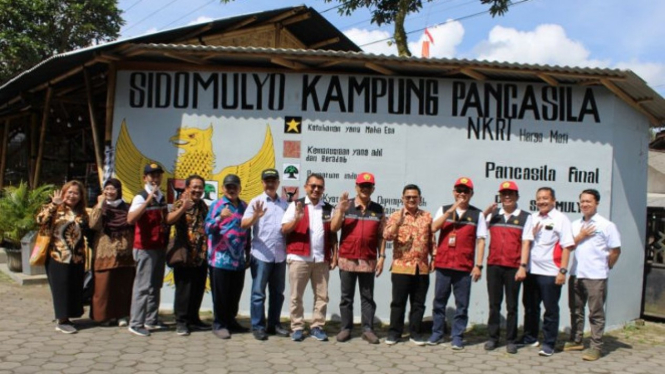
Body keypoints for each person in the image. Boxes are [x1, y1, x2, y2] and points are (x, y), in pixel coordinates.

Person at [428, 177, 486, 350]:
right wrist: (451, 210)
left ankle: (457, 336)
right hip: (444, 264)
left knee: (462, 304)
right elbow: (433, 228)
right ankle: (437, 333)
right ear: (454, 192)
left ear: (471, 194)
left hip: (464, 266)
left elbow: (481, 240)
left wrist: (478, 265)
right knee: (439, 301)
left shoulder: (478, 214)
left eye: (465, 191)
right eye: (459, 190)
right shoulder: (444, 210)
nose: (462, 194)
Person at [564, 189, 621, 361]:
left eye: (588, 201)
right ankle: (576, 340)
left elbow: (616, 250)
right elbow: (569, 246)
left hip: (595, 276)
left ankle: (596, 346)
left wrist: (607, 265)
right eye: (582, 201)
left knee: (595, 313)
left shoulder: (606, 225)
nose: (585, 204)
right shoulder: (575, 225)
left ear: (596, 203)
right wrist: (580, 236)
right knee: (575, 309)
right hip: (576, 274)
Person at [331, 172, 386, 344]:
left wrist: (382, 256)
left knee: (367, 297)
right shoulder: (345, 206)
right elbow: (333, 228)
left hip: (368, 260)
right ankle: (346, 328)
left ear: (373, 189)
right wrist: (341, 211)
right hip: (347, 258)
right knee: (346, 297)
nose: (365, 189)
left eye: (368, 186)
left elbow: (381, 236)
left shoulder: (378, 209)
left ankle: (367, 329)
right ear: (356, 187)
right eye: (362, 185)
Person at [281, 173, 337, 342]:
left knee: (322, 296)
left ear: (323, 189)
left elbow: (333, 234)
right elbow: (284, 229)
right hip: (299, 258)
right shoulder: (295, 205)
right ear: (306, 187)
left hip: (321, 259)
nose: (316, 189)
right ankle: (297, 327)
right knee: (296, 296)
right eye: (313, 186)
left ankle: (317, 326)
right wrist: (297, 219)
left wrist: (335, 254)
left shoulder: (328, 208)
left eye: (319, 187)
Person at [520, 187, 575, 357]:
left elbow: (567, 246)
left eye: (545, 198)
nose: (542, 201)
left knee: (550, 309)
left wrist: (562, 271)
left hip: (551, 272)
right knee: (530, 307)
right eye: (539, 198)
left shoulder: (561, 219)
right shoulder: (532, 217)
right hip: (531, 271)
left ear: (553, 200)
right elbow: (526, 242)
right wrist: (523, 266)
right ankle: (530, 338)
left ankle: (549, 343)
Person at [482, 181, 533, 354]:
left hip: (513, 267)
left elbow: (526, 243)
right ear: (500, 196)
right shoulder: (493, 215)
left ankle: (511, 340)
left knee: (512, 306)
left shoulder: (526, 217)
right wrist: (486, 213)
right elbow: (478, 229)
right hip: (494, 265)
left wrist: (522, 266)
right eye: (504, 194)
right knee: (494, 304)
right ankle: (493, 338)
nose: (507, 196)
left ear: (517, 196)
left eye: (511, 194)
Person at [241, 168, 290, 341]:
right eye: (267, 181)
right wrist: (255, 216)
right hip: (261, 255)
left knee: (278, 293)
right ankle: (258, 326)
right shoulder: (256, 202)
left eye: (273, 181)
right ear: (262, 183)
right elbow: (244, 224)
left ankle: (274, 324)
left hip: (280, 256)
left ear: (278, 183)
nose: (270, 184)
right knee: (258, 293)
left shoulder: (285, 204)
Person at [382, 184, 434, 346]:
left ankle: (415, 333)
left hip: (422, 266)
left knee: (418, 303)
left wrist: (435, 257)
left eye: (415, 197)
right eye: (408, 197)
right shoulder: (396, 216)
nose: (411, 199)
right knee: (398, 302)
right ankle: (394, 333)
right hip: (401, 266)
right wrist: (398, 223)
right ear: (403, 198)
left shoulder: (427, 216)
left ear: (420, 199)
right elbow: (387, 236)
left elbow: (432, 240)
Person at [37, 180, 89, 334]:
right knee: (61, 288)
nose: (72, 196)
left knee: (73, 287)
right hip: (58, 256)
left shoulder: (82, 212)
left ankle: (68, 317)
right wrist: (53, 204)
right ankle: (61, 320)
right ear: (64, 193)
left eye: (76, 193)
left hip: (77, 257)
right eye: (70, 192)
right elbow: (40, 220)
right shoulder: (56, 209)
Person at [205, 174, 250, 339]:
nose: (232, 189)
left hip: (238, 260)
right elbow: (207, 227)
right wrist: (219, 218)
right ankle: (219, 325)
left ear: (239, 188)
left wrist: (248, 251)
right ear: (223, 188)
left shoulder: (244, 206)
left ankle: (231, 321)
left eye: (235, 186)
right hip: (220, 260)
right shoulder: (217, 205)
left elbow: (248, 230)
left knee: (234, 294)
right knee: (221, 295)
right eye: (228, 187)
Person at [127, 163, 169, 337]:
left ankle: (151, 320)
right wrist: (146, 201)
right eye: (151, 175)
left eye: (158, 175)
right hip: (144, 248)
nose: (155, 179)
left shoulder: (161, 196)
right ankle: (136, 323)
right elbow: (130, 219)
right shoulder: (140, 196)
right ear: (145, 178)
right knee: (142, 286)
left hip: (159, 246)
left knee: (155, 285)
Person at [166, 175, 210, 336]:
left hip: (200, 255)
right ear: (187, 188)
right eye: (194, 187)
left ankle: (194, 319)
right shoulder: (180, 202)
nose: (197, 190)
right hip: (185, 254)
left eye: (200, 187)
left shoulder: (203, 205)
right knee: (184, 290)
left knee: (198, 288)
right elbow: (169, 220)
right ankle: (181, 321)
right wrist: (183, 209)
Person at [89, 178, 135, 327]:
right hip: (105, 251)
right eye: (107, 189)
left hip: (125, 252)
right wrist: (100, 205)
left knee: (123, 285)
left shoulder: (127, 207)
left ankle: (122, 314)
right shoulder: (100, 207)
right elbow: (93, 225)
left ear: (119, 191)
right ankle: (103, 316)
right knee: (104, 286)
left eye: (113, 189)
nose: (110, 192)